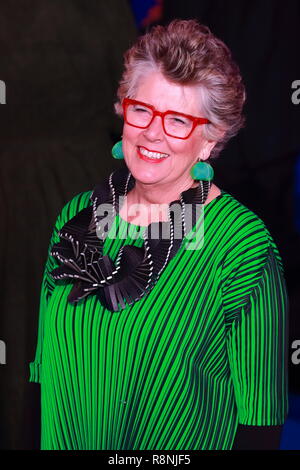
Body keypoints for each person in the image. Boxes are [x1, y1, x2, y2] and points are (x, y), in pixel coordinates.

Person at [29, 19, 289, 450]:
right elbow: (41, 377)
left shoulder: (242, 246)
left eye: (179, 121)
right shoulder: (78, 216)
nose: (152, 132)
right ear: (123, 110)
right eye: (142, 109)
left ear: (210, 138)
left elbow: (261, 423)